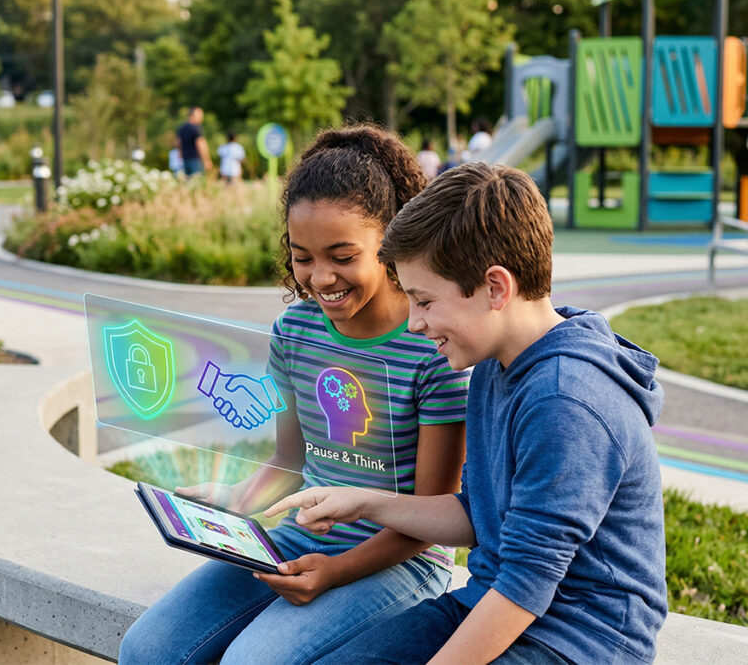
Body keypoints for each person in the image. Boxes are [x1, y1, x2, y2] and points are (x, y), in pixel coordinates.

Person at [266, 162, 668, 665]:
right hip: (487, 600)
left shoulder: (567, 401)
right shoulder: (495, 366)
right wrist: (364, 502)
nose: (414, 323)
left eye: (425, 301)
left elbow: (527, 584)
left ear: (496, 288)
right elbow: (477, 514)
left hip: (577, 640)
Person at [119, 124, 470, 664]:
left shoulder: (431, 349)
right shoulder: (296, 332)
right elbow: (289, 461)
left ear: (390, 242)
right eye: (302, 256)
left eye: (343, 255)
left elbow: (433, 517)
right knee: (147, 650)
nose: (320, 277)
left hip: (400, 561)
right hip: (294, 539)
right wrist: (231, 503)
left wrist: (336, 571)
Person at [176, 106, 212, 177]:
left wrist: (180, 154)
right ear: (193, 116)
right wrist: (206, 160)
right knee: (197, 182)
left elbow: (178, 143)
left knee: (188, 182)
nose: (201, 118)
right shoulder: (196, 128)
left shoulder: (182, 128)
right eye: (200, 115)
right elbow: (200, 144)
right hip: (196, 160)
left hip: (185, 159)